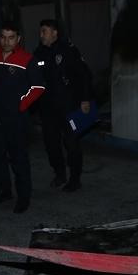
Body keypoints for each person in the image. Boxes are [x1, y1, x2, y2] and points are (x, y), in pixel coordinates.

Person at [0, 22, 45, 213]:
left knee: (19, 158)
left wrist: (20, 105)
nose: (7, 41)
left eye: (11, 37)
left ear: (18, 39)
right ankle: (3, 190)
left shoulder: (27, 59)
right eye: (3, 37)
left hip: (16, 118)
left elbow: (38, 87)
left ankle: (24, 196)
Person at [33, 19, 93, 192]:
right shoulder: (39, 53)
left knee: (72, 144)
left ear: (54, 33)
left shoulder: (68, 51)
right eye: (40, 32)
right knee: (51, 144)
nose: (41, 35)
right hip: (49, 109)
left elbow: (85, 75)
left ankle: (75, 179)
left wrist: (85, 99)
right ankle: (59, 173)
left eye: (44, 31)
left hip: (70, 107)